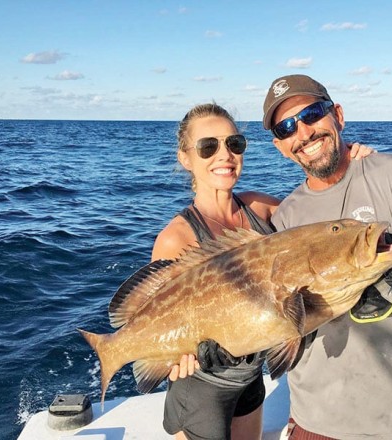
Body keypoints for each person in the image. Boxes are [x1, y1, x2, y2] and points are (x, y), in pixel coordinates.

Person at [151, 102, 373, 440]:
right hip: (201, 391)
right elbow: (156, 319)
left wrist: (350, 162)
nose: (224, 155)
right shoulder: (175, 238)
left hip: (251, 379)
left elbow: (319, 219)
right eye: (208, 146)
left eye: (234, 143)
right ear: (185, 158)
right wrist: (174, 360)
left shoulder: (261, 207)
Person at [262, 74, 392, 440]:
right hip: (316, 423)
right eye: (287, 126)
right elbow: (279, 329)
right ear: (280, 146)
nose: (303, 131)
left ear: (337, 114)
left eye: (312, 113)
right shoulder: (283, 219)